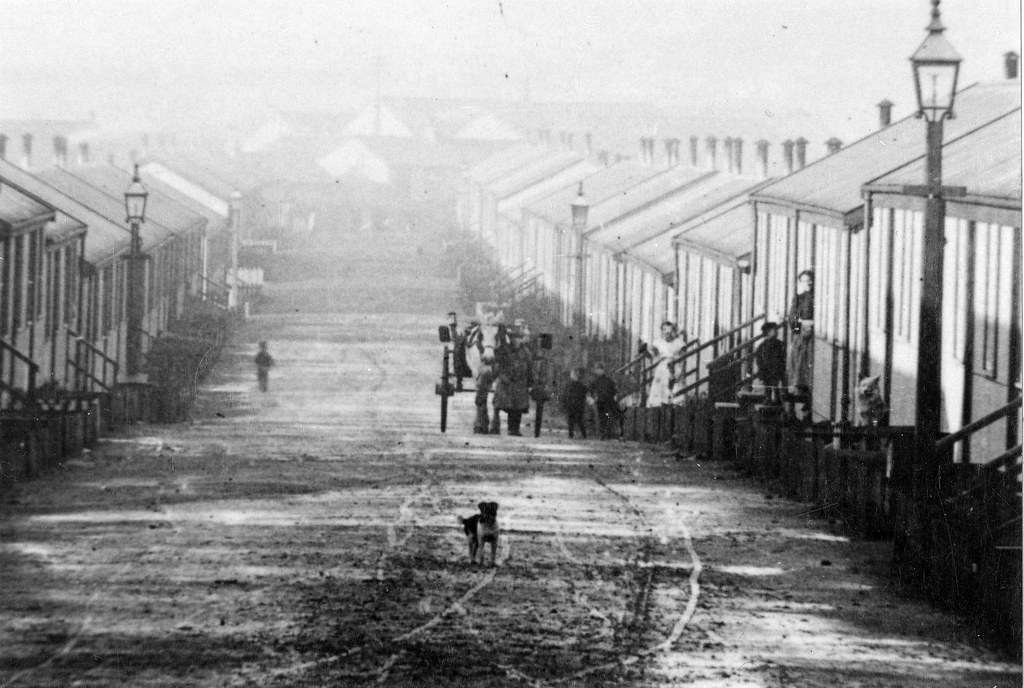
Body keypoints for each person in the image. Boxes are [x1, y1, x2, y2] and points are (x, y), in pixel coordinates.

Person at [491, 329, 534, 436]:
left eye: (518, 338)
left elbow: (529, 369)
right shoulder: (504, 350)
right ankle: (495, 424)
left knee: (518, 408)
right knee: (499, 403)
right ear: (510, 339)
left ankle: (514, 429)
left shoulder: (526, 353)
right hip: (505, 382)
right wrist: (500, 376)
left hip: (520, 383)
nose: (516, 341)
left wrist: (530, 383)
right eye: (513, 338)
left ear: (521, 340)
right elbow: (497, 365)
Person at [787, 269, 814, 419]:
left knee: (806, 369)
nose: (807, 283)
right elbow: (792, 322)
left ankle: (806, 406)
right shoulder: (798, 299)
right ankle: (797, 406)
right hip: (800, 338)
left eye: (809, 280)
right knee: (797, 365)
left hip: (811, 341)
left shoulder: (815, 298)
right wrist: (801, 323)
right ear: (800, 282)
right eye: (804, 281)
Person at [645, 321, 686, 407]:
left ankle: (674, 404)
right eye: (664, 330)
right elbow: (653, 355)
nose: (667, 332)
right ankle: (659, 405)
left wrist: (679, 367)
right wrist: (647, 351)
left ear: (673, 331)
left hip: (675, 366)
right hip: (663, 367)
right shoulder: (659, 343)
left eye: (669, 330)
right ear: (662, 331)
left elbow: (683, 357)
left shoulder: (678, 343)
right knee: (660, 389)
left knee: (675, 389)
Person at [754, 322, 786, 403]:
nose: (776, 332)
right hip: (766, 369)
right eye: (774, 330)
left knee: (775, 384)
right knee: (767, 384)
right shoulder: (762, 346)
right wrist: (761, 368)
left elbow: (782, 356)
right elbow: (759, 358)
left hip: (776, 369)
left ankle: (777, 398)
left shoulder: (779, 344)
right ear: (768, 332)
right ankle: (768, 398)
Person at [588, 363, 619, 440]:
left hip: (603, 401)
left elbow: (591, 389)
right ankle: (605, 434)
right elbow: (614, 391)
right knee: (605, 418)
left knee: (604, 418)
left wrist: (593, 398)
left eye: (597, 369)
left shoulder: (600, 380)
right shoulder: (607, 380)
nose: (596, 371)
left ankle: (604, 434)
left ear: (601, 370)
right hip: (605, 401)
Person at [560, 368, 588, 439]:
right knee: (573, 421)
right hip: (574, 405)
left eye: (572, 374)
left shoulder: (579, 385)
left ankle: (580, 435)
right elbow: (565, 395)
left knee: (577, 421)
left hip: (576, 405)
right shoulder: (577, 385)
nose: (571, 375)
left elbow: (566, 395)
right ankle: (573, 435)